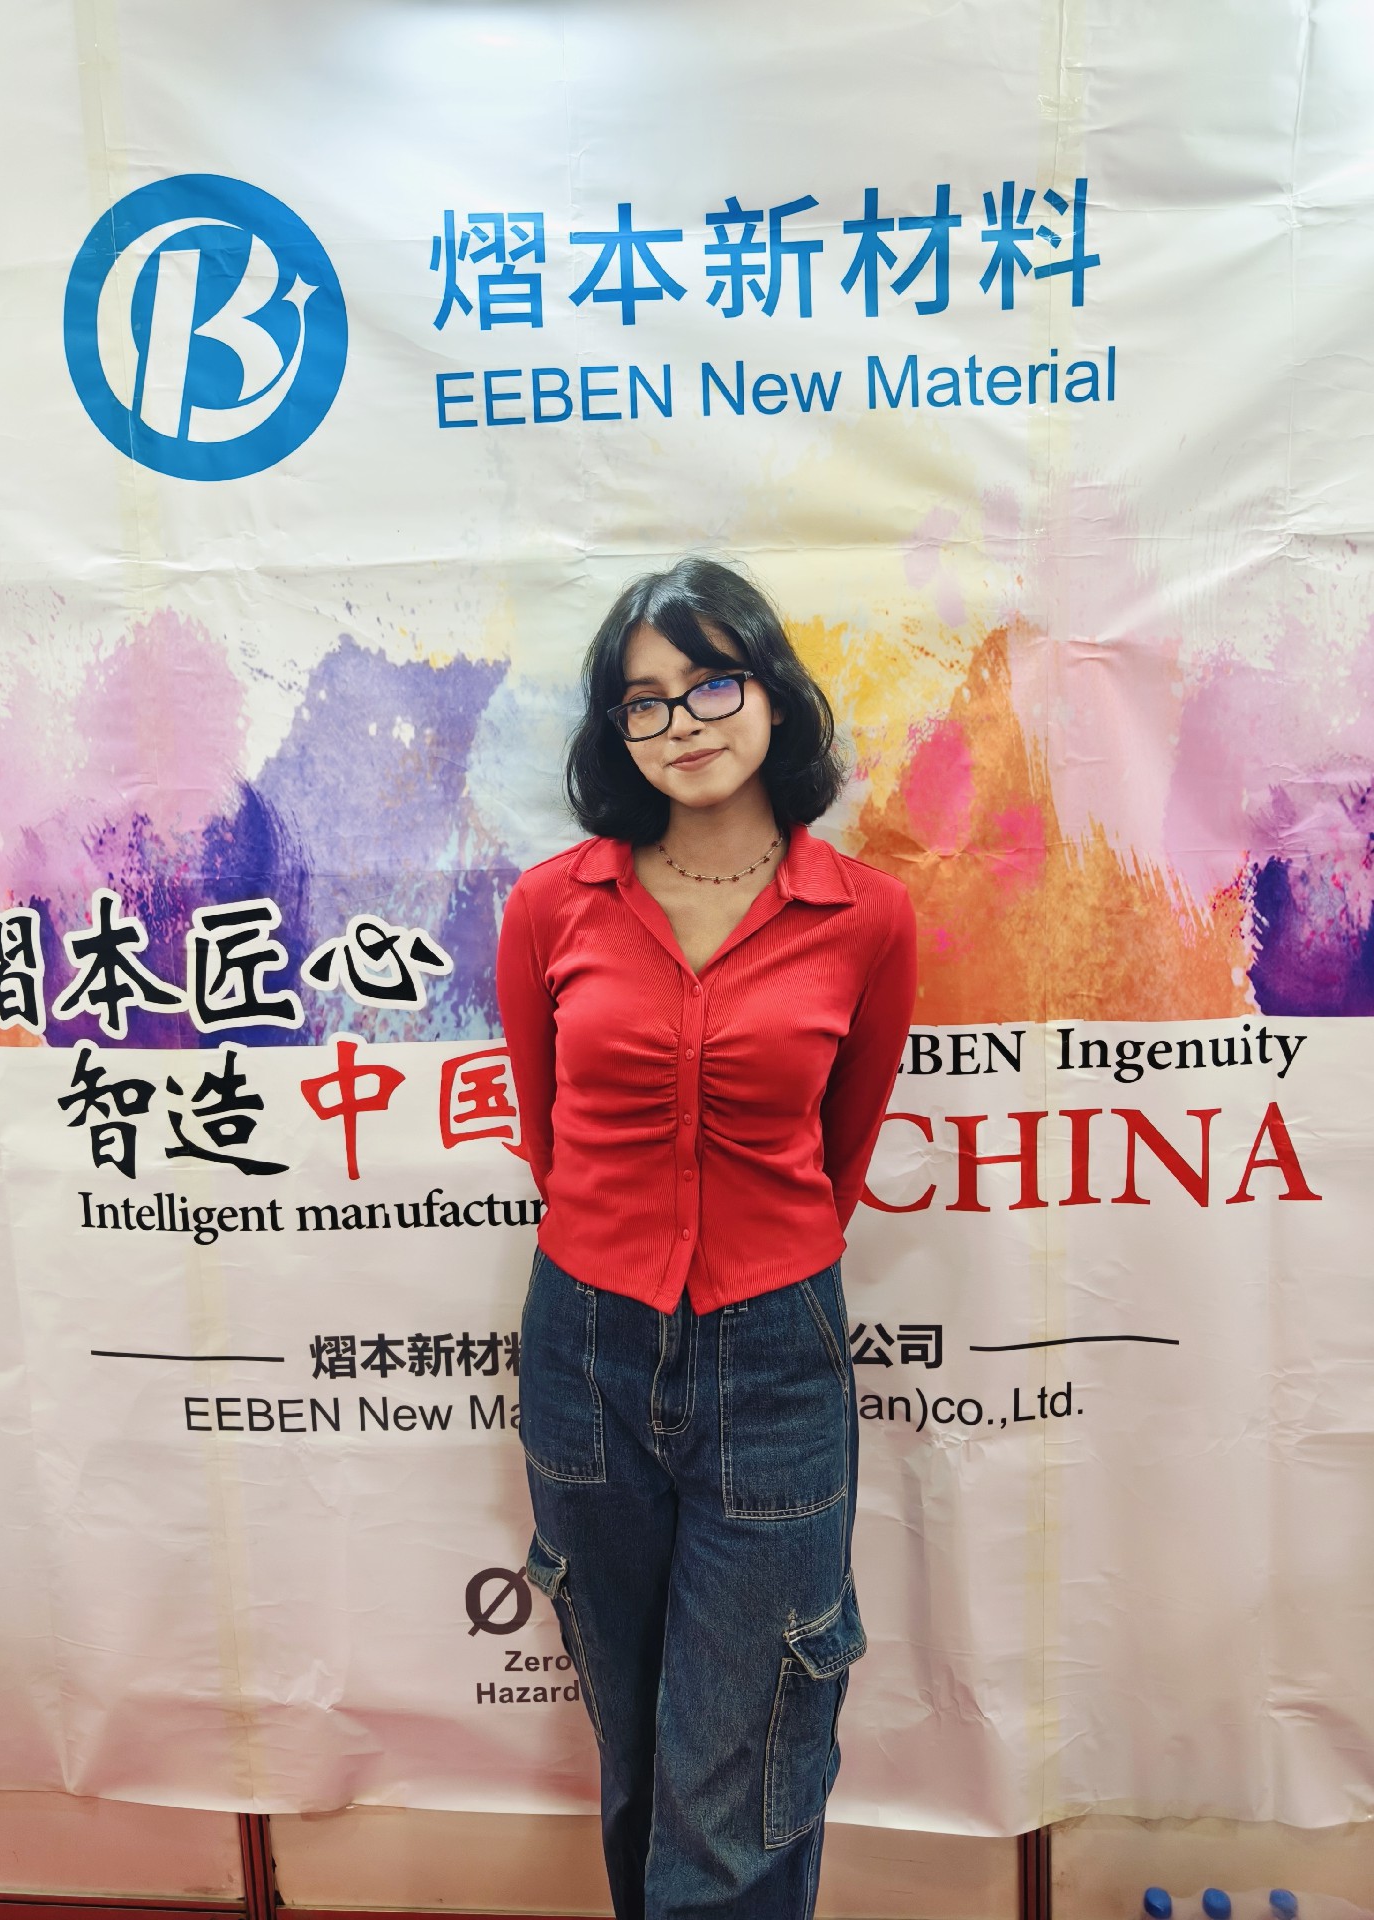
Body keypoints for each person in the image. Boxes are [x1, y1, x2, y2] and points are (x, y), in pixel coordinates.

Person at [495, 556, 917, 1920]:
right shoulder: (552, 905)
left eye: (712, 683)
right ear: (615, 731)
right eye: (645, 701)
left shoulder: (866, 916)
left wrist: (750, 1261)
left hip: (775, 1354)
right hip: (585, 1348)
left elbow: (840, 1154)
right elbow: (549, 1137)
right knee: (636, 1745)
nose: (683, 722)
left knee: (747, 1758)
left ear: (774, 696)